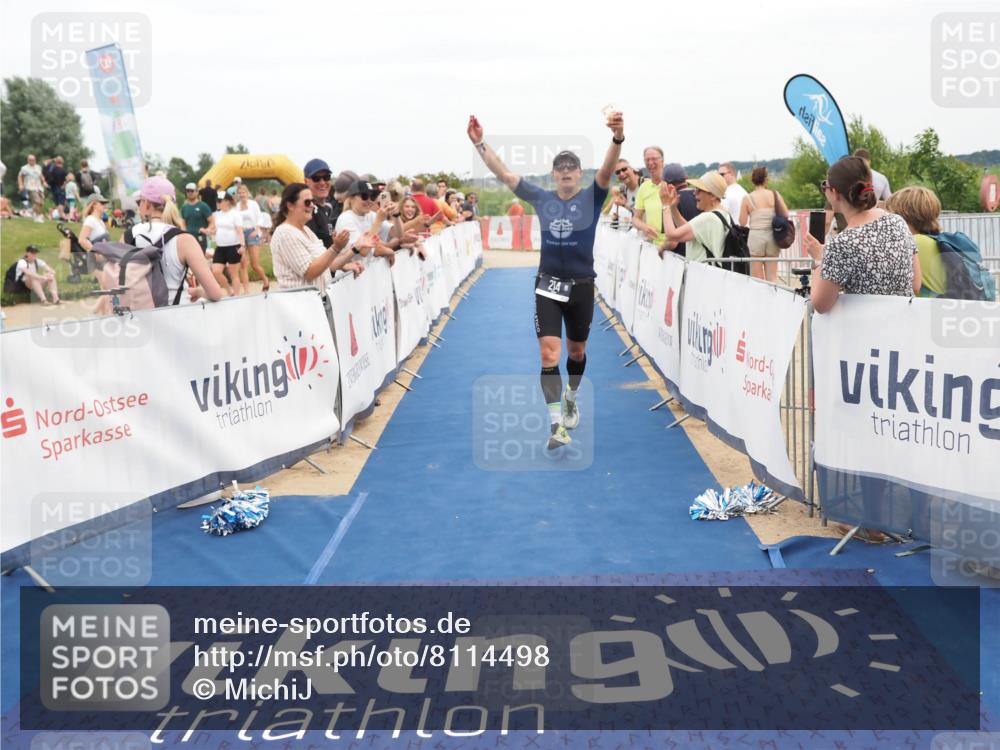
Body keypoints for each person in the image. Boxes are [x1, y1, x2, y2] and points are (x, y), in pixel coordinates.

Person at [468, 110, 624, 449]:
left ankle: (571, 395)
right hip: (548, 285)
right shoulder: (542, 198)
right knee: (549, 355)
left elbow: (609, 170)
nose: (566, 174)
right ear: (554, 175)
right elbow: (506, 175)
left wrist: (617, 138)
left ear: (580, 174)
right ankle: (556, 426)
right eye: (561, 170)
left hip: (582, 284)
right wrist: (480, 143)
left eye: (572, 169)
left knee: (576, 352)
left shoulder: (592, 198)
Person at [803, 155, 920, 315]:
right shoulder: (897, 222)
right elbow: (915, 285)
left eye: (825, 186)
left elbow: (821, 305)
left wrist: (818, 259)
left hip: (866, 333)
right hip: (902, 327)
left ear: (835, 193)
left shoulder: (841, 244)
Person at [128, 176, 224, 304]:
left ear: (146, 203)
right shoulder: (184, 239)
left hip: (140, 315)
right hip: (176, 313)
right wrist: (198, 292)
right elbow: (215, 293)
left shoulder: (129, 236)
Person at [270, 182, 363, 292]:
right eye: (307, 202)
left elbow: (325, 264)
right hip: (299, 304)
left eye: (312, 201)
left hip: (316, 301)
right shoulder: (285, 233)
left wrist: (344, 265)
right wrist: (336, 248)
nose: (312, 205)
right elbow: (310, 273)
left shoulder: (306, 230)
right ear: (290, 205)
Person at [886, 186, 946, 298]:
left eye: (891, 215)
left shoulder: (913, 242)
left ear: (903, 215)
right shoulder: (939, 241)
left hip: (923, 312)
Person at [658, 171, 730, 263]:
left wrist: (665, 206)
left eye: (699, 190)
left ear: (712, 195)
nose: (695, 193)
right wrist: (673, 208)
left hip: (701, 274)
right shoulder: (723, 213)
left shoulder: (708, 218)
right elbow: (688, 229)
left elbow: (672, 235)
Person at [739, 166, 789, 282]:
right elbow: (785, 214)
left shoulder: (747, 198)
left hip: (756, 237)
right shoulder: (775, 194)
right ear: (766, 179)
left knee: (757, 278)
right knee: (772, 277)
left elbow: (742, 222)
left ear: (752, 180)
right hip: (773, 236)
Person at [207, 192, 246, 295]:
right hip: (220, 247)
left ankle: (237, 296)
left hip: (233, 246)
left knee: (234, 274)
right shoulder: (216, 214)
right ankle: (229, 290)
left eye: (220, 201)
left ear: (227, 201)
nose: (218, 203)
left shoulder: (235, 214)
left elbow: (239, 231)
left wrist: (242, 245)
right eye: (217, 201)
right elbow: (216, 229)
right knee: (216, 271)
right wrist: (210, 231)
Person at [660, 163, 699, 257]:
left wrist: (661, 247)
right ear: (686, 178)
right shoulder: (700, 196)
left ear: (666, 184)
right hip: (699, 256)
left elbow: (672, 242)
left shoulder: (671, 201)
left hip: (680, 260)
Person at [235, 184, 268, 291]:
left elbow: (259, 217)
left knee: (254, 264)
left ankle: (265, 279)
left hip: (252, 232)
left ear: (247, 193)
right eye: (239, 193)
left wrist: (257, 230)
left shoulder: (253, 204)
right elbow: (236, 220)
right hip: (241, 234)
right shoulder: (237, 206)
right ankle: (246, 289)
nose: (241, 195)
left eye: (243, 192)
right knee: (243, 263)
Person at [632, 147, 665, 245]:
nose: (650, 163)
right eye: (647, 160)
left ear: (662, 161)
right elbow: (636, 218)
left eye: (654, 159)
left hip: (675, 247)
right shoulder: (644, 187)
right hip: (653, 246)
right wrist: (644, 227)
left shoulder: (671, 184)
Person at [181, 183, 214, 252]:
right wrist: (184, 232)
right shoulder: (184, 207)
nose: (190, 193)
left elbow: (212, 222)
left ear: (197, 192)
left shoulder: (203, 206)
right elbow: (183, 223)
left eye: (192, 191)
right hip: (189, 238)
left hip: (201, 238)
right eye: (188, 191)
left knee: (201, 259)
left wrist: (207, 230)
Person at [17, 155, 45, 222]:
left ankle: (32, 211)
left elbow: (41, 175)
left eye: (33, 160)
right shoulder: (24, 168)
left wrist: (44, 181)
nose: (32, 161)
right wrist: (21, 185)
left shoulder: (38, 167)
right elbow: (20, 177)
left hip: (39, 187)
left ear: (35, 160)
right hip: (30, 187)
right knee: (37, 201)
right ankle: (38, 217)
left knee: (41, 203)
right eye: (30, 160)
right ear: (28, 160)